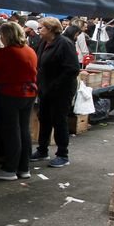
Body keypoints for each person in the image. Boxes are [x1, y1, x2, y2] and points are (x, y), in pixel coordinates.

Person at [0, 22, 37, 181]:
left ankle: (10, 168)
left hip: (10, 93)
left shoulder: (5, 52)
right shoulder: (30, 50)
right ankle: (24, 167)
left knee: (11, 131)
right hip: (29, 93)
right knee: (23, 129)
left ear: (6, 35)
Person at [30, 18, 80, 167]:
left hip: (61, 90)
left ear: (51, 29)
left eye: (41, 28)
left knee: (59, 120)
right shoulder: (43, 43)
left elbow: (72, 69)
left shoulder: (64, 44)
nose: (39, 31)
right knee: (44, 118)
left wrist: (55, 85)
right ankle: (42, 149)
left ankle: (62, 154)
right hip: (45, 89)